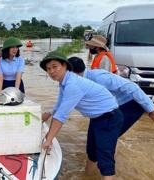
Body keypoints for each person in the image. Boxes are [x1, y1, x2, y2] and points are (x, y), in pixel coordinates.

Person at [40, 50, 124, 180]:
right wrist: (47, 114)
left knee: (105, 158)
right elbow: (59, 104)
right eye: (48, 68)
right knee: (91, 153)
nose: (51, 71)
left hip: (109, 117)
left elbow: (61, 116)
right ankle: (87, 176)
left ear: (65, 66)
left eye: (55, 66)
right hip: (97, 118)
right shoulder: (64, 82)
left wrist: (49, 140)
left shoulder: (72, 84)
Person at [68, 56, 154, 133]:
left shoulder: (99, 77)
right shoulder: (80, 82)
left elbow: (132, 87)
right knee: (94, 146)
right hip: (106, 109)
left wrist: (151, 109)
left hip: (129, 105)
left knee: (108, 137)